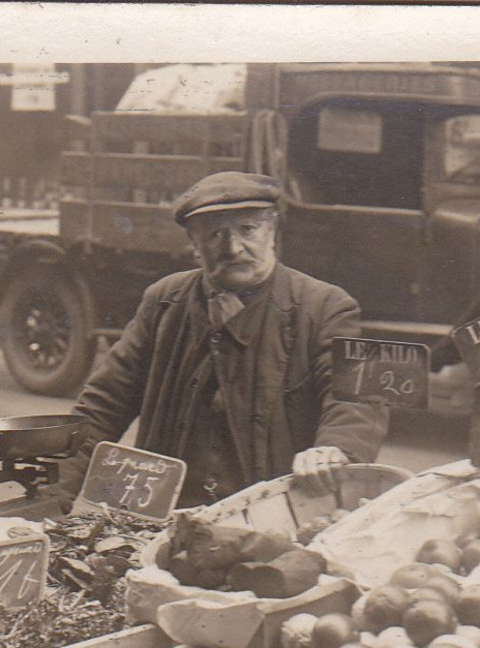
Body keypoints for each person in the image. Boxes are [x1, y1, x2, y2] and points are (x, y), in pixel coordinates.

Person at [64, 171, 388, 507]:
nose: (232, 248)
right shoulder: (164, 301)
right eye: (215, 234)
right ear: (194, 244)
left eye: (247, 230)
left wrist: (335, 448)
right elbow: (102, 405)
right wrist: (48, 497)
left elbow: (359, 396)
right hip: (165, 513)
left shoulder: (326, 306)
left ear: (272, 231)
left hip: (269, 514)